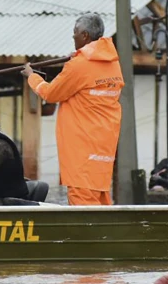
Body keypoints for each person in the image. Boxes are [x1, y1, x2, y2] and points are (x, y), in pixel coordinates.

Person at [21, 13, 124, 206]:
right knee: (101, 200)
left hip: (82, 149)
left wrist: (31, 76)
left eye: (75, 33)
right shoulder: (112, 63)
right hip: (103, 148)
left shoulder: (79, 65)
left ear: (84, 36)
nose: (73, 37)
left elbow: (51, 93)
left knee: (83, 206)